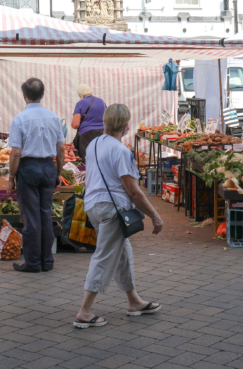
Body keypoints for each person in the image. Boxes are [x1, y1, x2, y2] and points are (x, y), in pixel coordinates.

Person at [74, 103, 163, 328]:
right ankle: (84, 311)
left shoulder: (94, 143)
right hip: (111, 210)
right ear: (125, 126)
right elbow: (133, 191)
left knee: (122, 252)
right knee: (103, 257)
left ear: (105, 122)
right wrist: (155, 215)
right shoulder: (122, 151)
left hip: (93, 206)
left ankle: (133, 301)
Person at [7, 78, 65, 273]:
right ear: (43, 94)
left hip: (29, 168)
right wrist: (58, 173)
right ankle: (47, 261)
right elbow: (61, 149)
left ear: (24, 95)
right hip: (48, 166)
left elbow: (15, 152)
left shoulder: (20, 119)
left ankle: (32, 262)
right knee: (46, 214)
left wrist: (11, 177)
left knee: (31, 218)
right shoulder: (53, 117)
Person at [71, 84, 106, 160]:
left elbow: (75, 125)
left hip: (87, 135)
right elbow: (107, 117)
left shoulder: (80, 103)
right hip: (102, 133)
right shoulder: (101, 101)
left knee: (88, 159)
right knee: (100, 158)